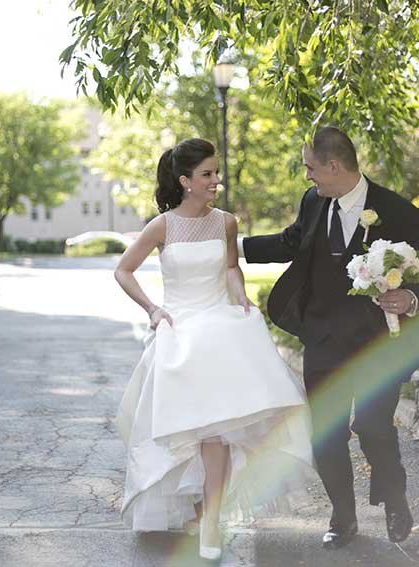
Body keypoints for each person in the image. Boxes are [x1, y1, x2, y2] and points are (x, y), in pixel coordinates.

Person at [113, 138, 313, 561]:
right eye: (207, 174)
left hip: (223, 330)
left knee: (218, 433)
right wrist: (152, 308)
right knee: (191, 433)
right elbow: (123, 270)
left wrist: (240, 296)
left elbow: (229, 268)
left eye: (216, 173)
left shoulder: (225, 222)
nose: (215, 181)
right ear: (185, 181)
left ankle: (212, 521)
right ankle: (199, 511)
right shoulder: (161, 226)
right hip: (180, 333)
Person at [242, 126, 419, 549]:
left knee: (372, 427)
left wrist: (408, 295)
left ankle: (395, 498)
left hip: (378, 343)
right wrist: (231, 243)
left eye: (311, 168)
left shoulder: (398, 210)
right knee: (326, 434)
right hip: (324, 337)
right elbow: (293, 241)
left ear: (334, 166)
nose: (308, 177)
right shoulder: (314, 202)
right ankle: (343, 517)